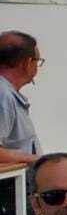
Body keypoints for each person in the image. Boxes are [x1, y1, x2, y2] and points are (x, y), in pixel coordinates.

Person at [0, 31, 42, 165]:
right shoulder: (3, 94)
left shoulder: (7, 93)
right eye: (38, 61)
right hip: (12, 184)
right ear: (27, 62)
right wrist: (38, 160)